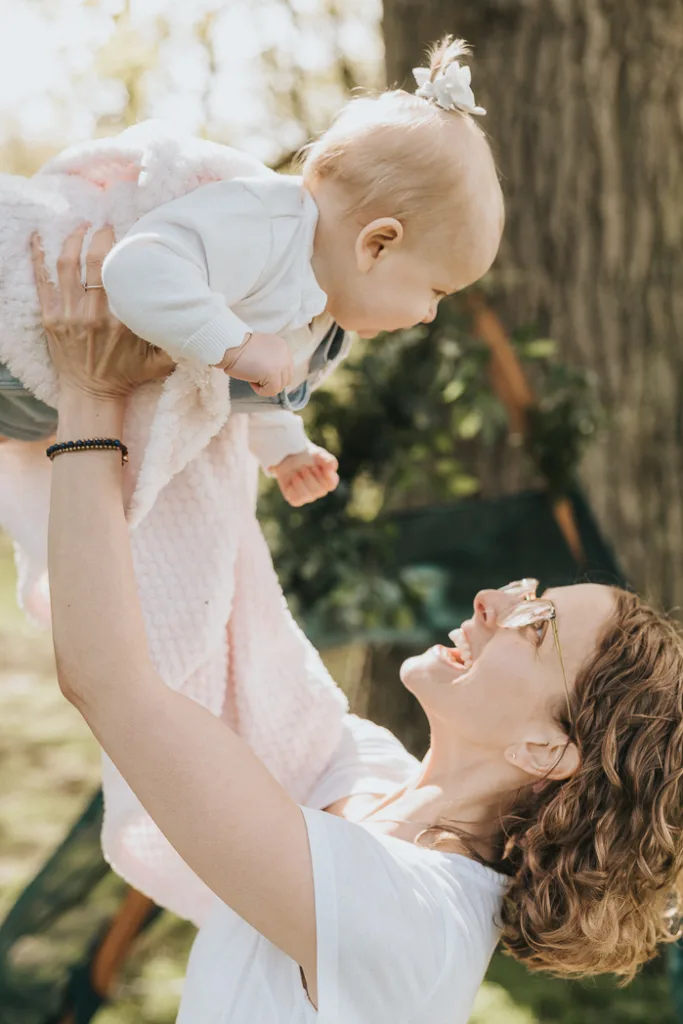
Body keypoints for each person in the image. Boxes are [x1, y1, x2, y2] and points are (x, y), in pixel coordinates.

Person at [36, 217, 683, 1024]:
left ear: (546, 749)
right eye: (523, 589)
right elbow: (230, 629)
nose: (490, 601)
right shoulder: (365, 775)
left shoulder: (414, 922)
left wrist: (90, 396)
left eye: (536, 621)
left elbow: (111, 686)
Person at [0, 36, 502, 505]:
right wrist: (236, 345)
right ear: (377, 245)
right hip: (19, 333)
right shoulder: (263, 226)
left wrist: (286, 450)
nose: (431, 314)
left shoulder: (325, 316)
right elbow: (136, 267)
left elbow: (229, 387)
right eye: (436, 291)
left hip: (34, 408)